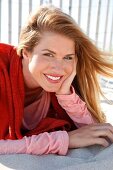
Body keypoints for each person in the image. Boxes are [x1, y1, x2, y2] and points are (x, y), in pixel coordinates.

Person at [0, 5, 113, 156]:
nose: (59, 68)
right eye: (49, 54)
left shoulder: (59, 85)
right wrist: (64, 140)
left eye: (68, 57)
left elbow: (92, 131)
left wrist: (66, 95)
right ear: (26, 52)